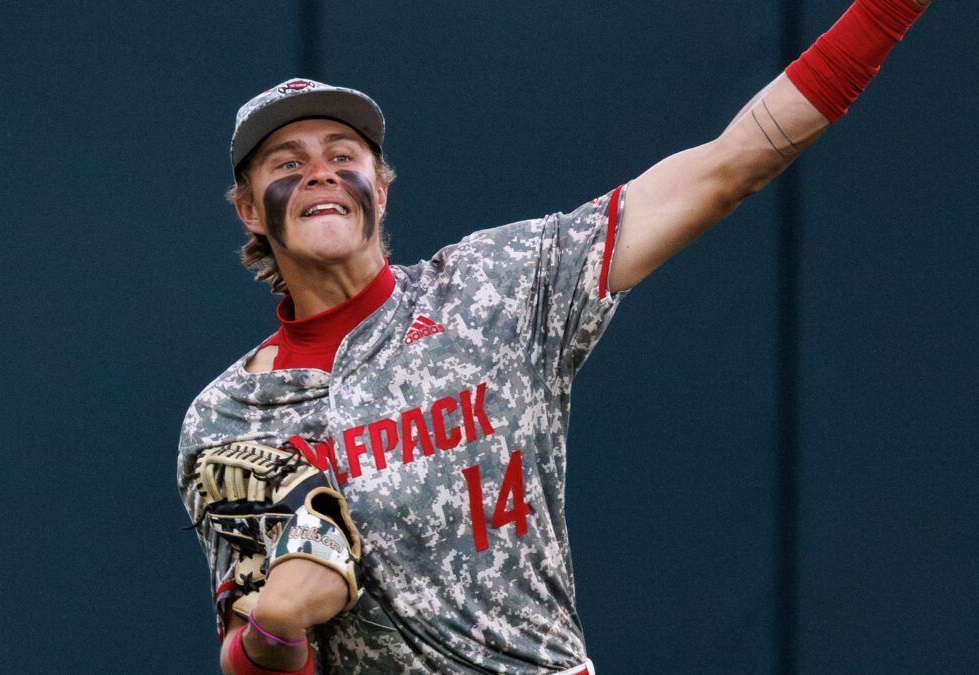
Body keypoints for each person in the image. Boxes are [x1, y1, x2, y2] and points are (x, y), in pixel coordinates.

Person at [178, 0, 932, 672]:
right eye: (288, 163)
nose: (321, 174)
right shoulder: (231, 419)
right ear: (249, 209)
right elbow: (255, 656)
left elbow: (729, 166)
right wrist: (277, 631)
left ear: (382, 183)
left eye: (345, 156)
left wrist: (889, 9)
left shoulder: (495, 286)